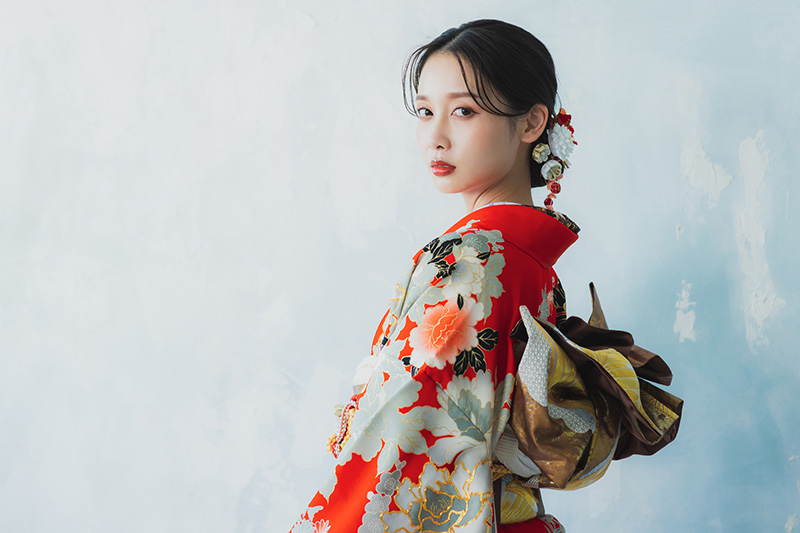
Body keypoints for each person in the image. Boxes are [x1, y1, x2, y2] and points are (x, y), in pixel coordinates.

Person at [289, 19, 681, 533]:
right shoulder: (530, 261)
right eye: (425, 112)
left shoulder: (474, 258)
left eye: (463, 111)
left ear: (532, 122)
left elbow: (406, 425)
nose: (435, 137)